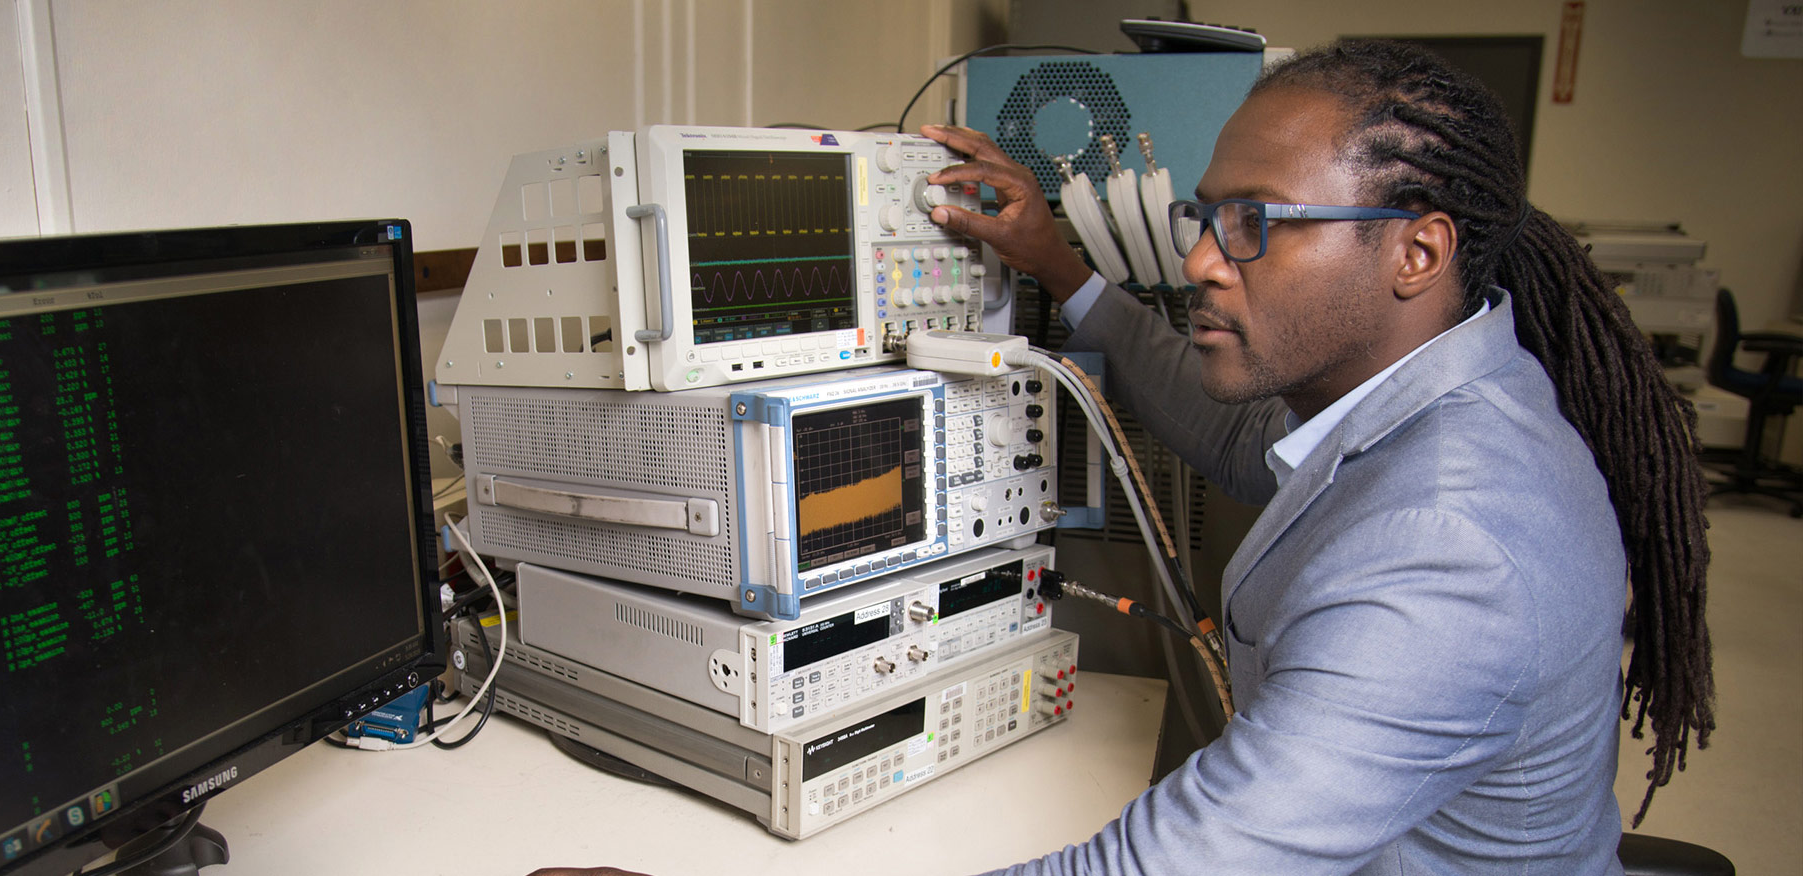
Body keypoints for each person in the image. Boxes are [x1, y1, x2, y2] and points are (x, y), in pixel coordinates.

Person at [530, 39, 1713, 875]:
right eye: (1203, 215)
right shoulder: (1435, 399)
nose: (1200, 258)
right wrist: (1057, 264)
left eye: (1253, 223)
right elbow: (1238, 441)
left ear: (1416, 251)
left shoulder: (1452, 543)